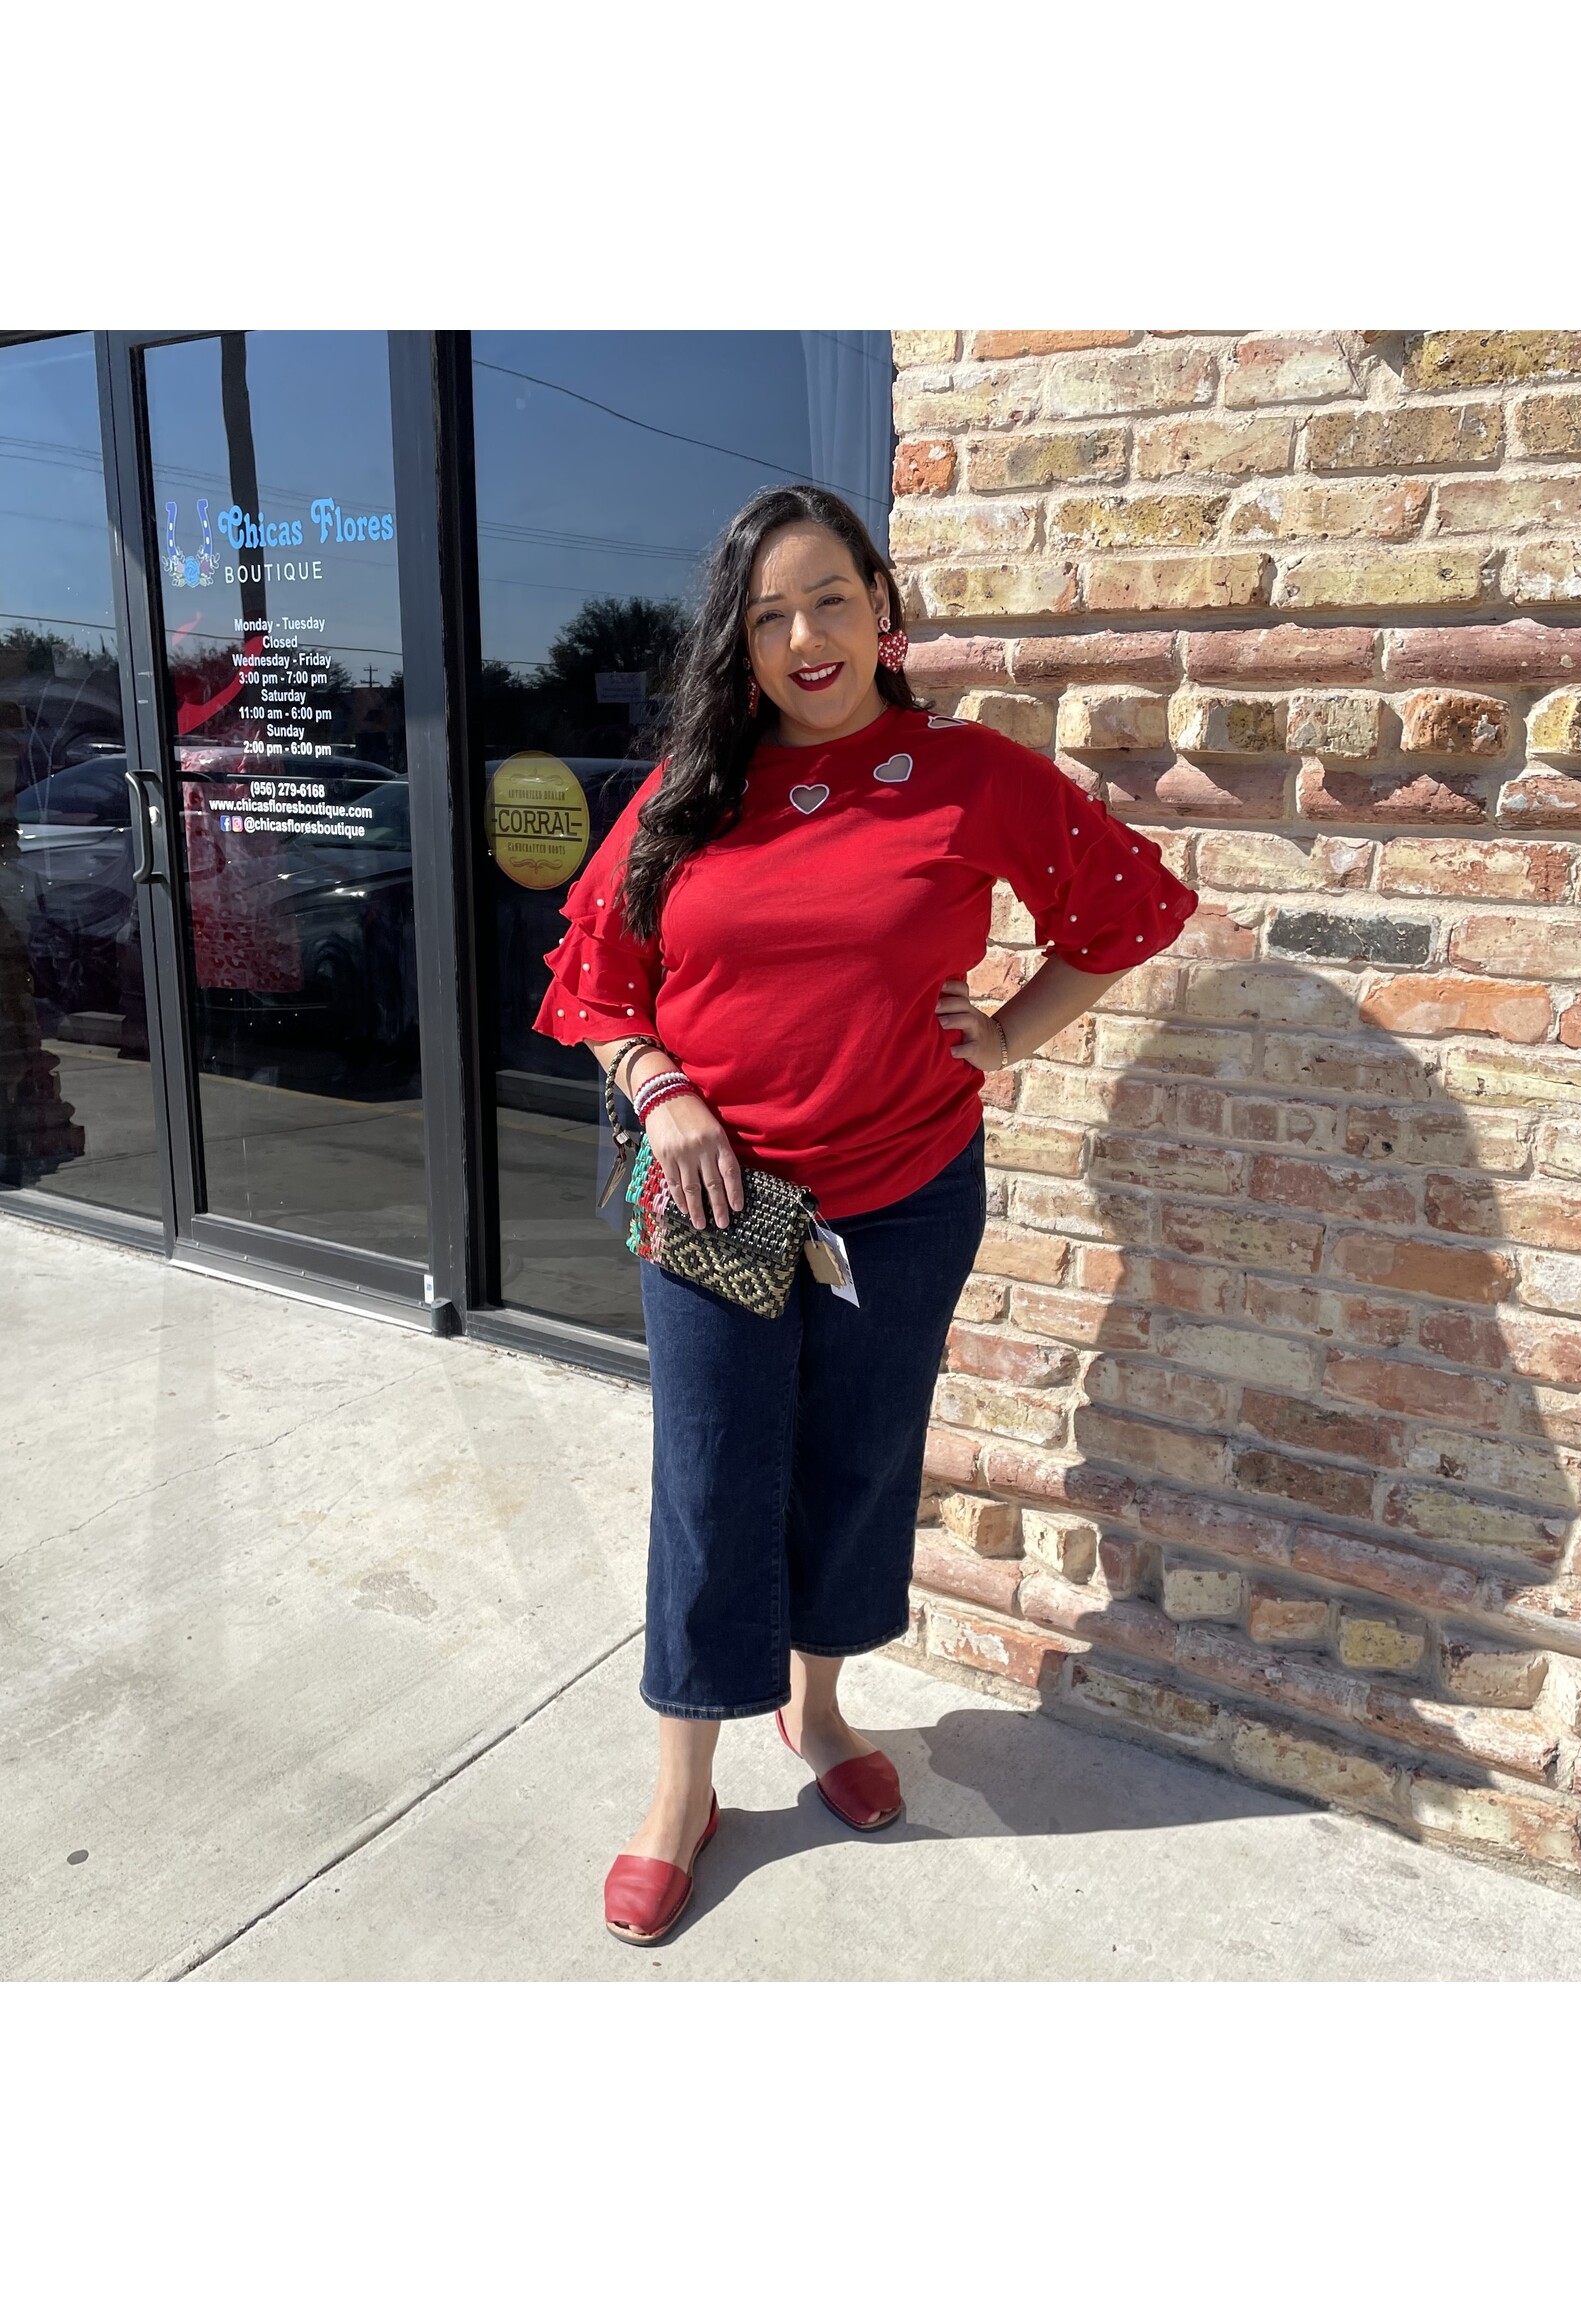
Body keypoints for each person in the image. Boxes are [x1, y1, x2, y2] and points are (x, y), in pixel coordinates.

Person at [533, 484, 1197, 1944]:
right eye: (768, 615)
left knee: (857, 1456)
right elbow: (593, 978)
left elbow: (1128, 911)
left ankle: (816, 1711)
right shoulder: (695, 786)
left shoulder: (968, 775)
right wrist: (667, 1093)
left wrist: (1013, 1034)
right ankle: (681, 1785)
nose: (804, 635)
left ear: (883, 609)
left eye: (829, 597)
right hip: (722, 1191)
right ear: (743, 646)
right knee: (712, 1478)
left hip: (900, 1195)